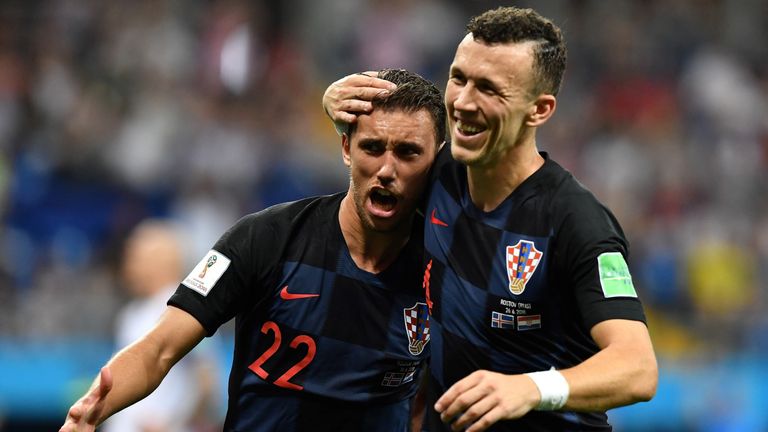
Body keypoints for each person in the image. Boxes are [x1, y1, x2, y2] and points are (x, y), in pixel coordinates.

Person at [322, 6, 658, 432]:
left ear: (539, 109)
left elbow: (637, 368)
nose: (462, 102)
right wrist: (338, 108)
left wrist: (531, 389)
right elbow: (375, 166)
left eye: (489, 89)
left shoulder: (574, 220)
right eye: (459, 77)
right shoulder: (438, 174)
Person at [60, 68, 445, 432]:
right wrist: (96, 407)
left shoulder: (445, 266)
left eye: (408, 153)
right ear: (346, 147)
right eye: (372, 147)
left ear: (438, 160)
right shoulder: (266, 238)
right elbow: (159, 347)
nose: (387, 169)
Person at [103, 220, 222, 432]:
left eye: (136, 256)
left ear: (162, 260)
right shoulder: (132, 314)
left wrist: (172, 423)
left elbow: (206, 380)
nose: (128, 265)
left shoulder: (188, 308)